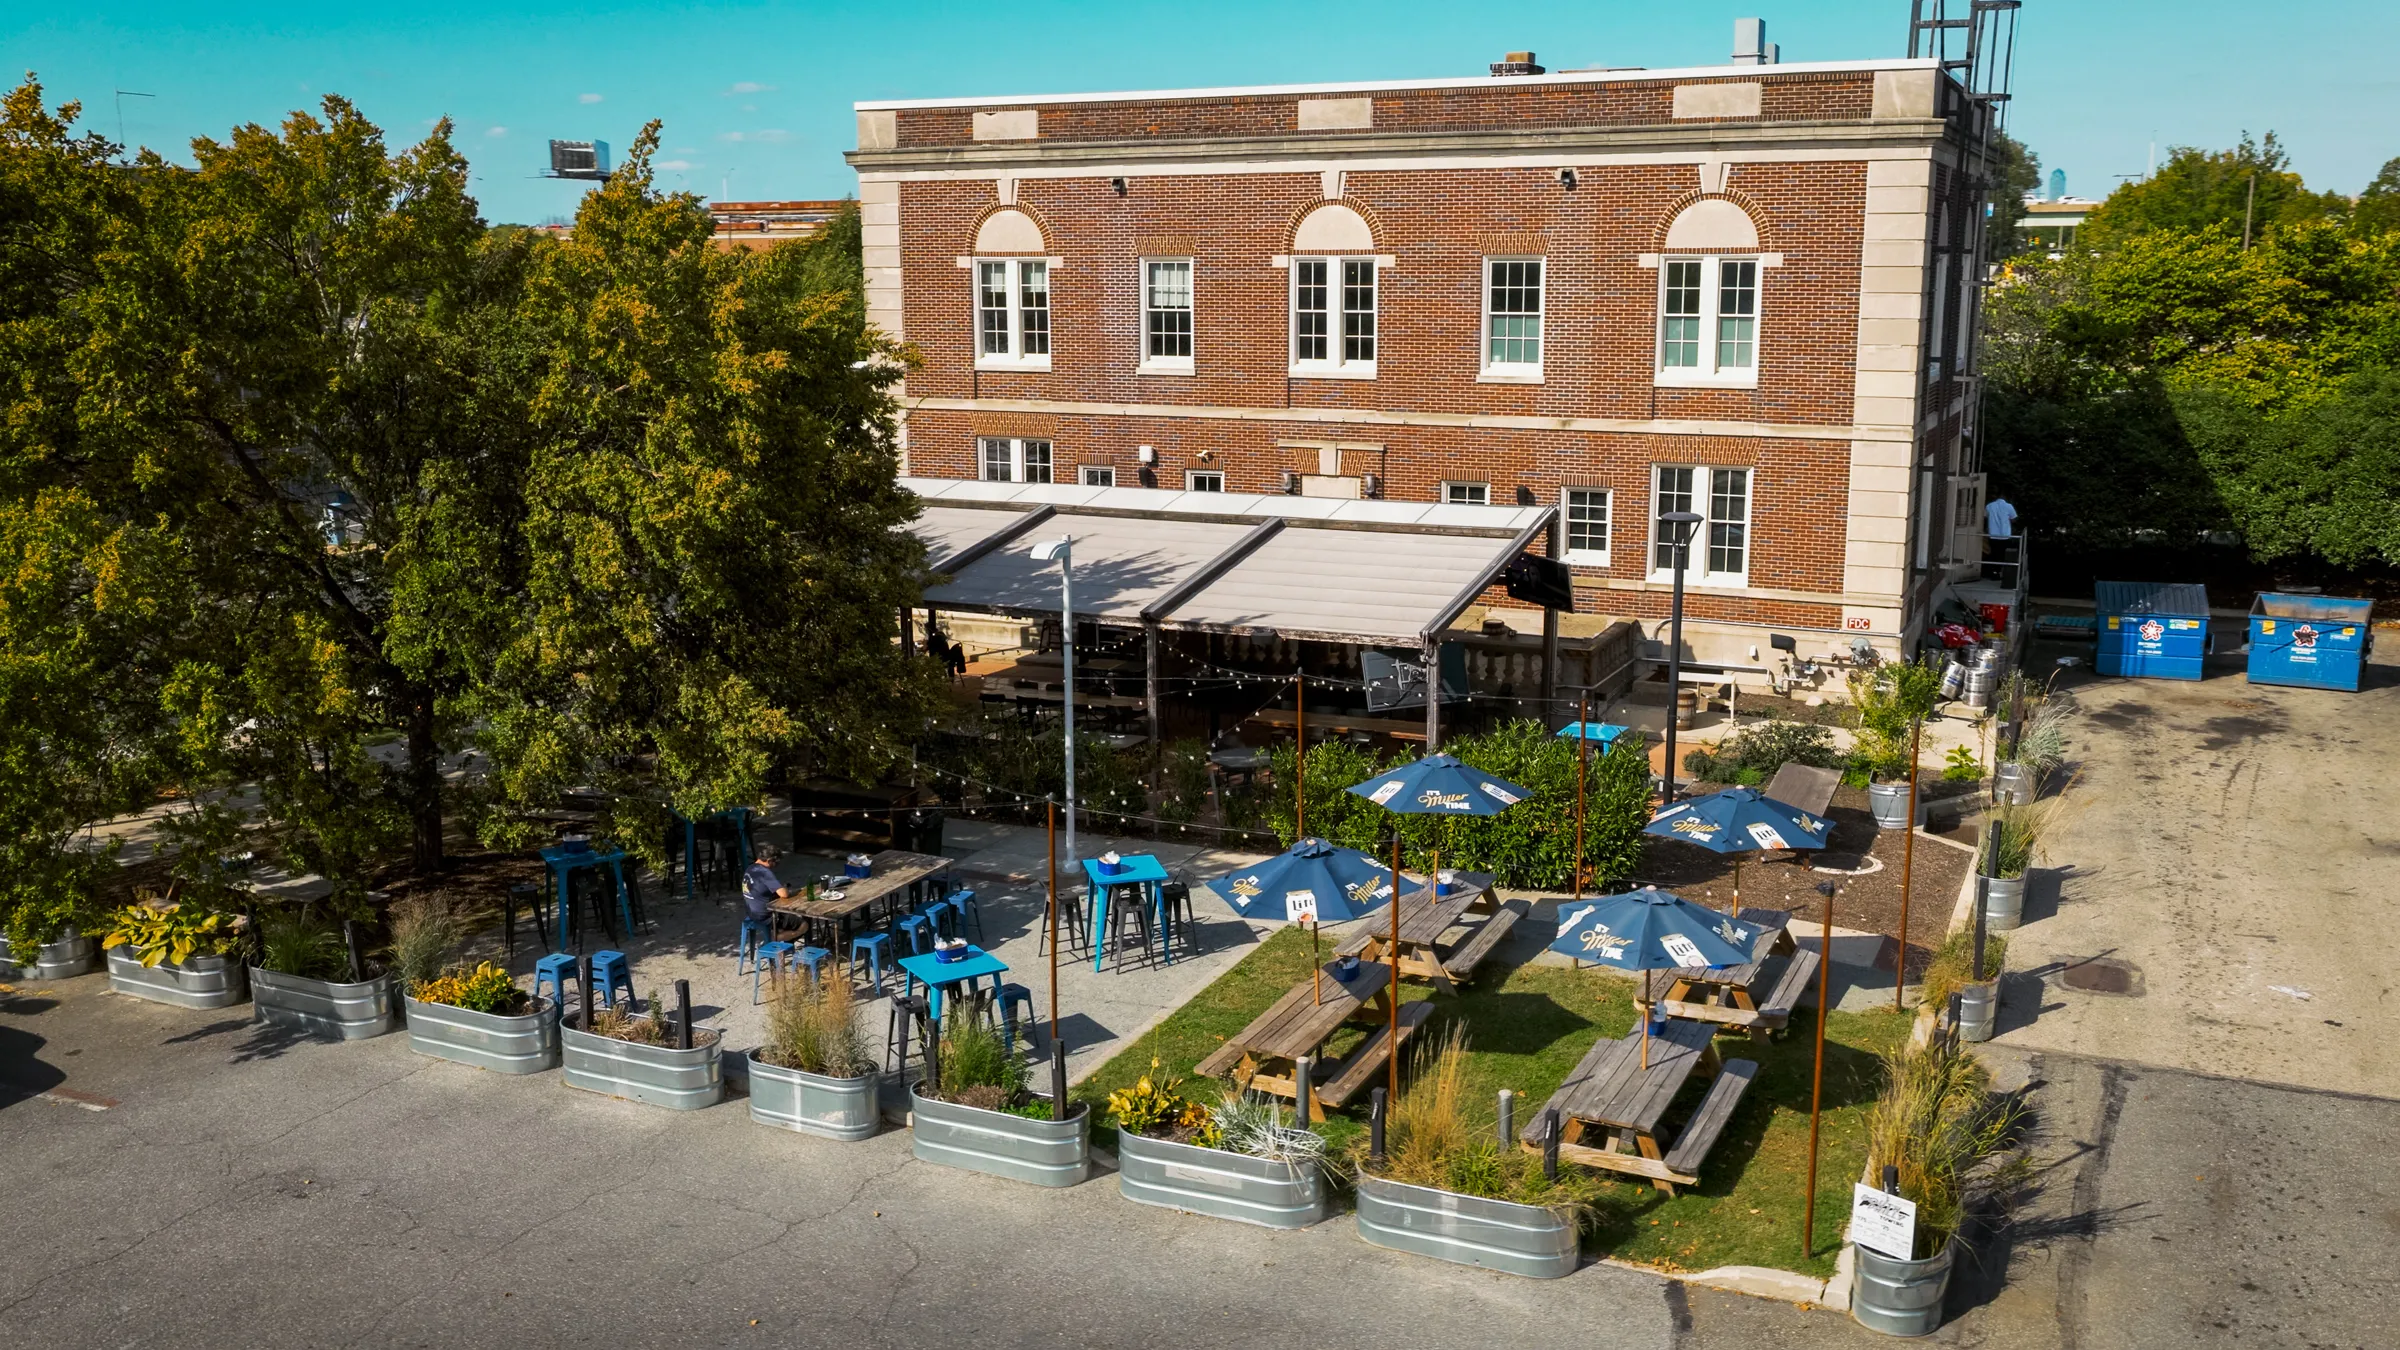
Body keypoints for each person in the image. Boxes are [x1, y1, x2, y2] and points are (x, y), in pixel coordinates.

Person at [741, 844, 789, 957]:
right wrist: (785, 886)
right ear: (769, 860)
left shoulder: (750, 868)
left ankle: (776, 942)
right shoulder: (765, 872)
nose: (776, 866)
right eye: (776, 863)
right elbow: (784, 894)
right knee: (801, 923)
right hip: (765, 916)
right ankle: (777, 942)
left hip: (751, 912)